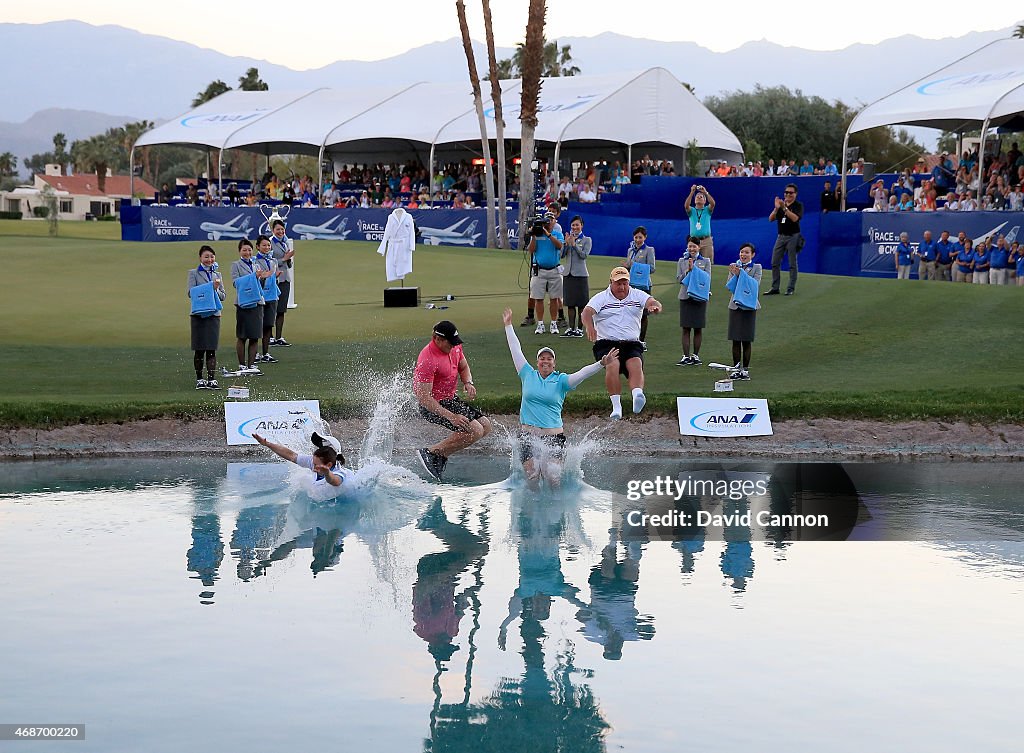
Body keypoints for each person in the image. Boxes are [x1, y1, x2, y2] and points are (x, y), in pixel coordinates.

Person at [501, 308, 615, 487]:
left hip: (553, 438)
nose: (545, 361)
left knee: (552, 476)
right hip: (527, 436)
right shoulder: (527, 374)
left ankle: (557, 511)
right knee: (532, 476)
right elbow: (515, 349)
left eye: (549, 359)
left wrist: (601, 363)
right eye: (542, 358)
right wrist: (508, 325)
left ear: (554, 363)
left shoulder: (561, 381)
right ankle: (534, 510)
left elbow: (582, 373)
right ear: (537, 361)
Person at [414, 320, 492, 481]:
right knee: (475, 430)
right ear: (438, 339)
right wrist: (452, 416)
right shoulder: (427, 359)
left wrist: (468, 383)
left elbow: (463, 367)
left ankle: (439, 455)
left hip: (450, 399)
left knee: (486, 426)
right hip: (433, 405)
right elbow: (424, 398)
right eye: (450, 343)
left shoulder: (454, 347)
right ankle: (431, 452)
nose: (454, 346)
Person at [582, 266, 663, 419]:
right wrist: (589, 327)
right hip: (606, 343)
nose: (622, 287)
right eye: (618, 283)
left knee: (635, 363)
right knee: (613, 364)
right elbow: (587, 312)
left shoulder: (637, 294)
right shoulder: (601, 297)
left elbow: (652, 301)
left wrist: (655, 306)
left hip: (631, 343)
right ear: (611, 282)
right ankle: (616, 406)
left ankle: (637, 395)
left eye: (625, 283)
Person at [252, 431, 352, 489]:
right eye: (313, 463)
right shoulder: (314, 462)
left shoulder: (340, 472)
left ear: (329, 465)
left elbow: (335, 482)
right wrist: (267, 444)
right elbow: (291, 455)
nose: (313, 466)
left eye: (316, 465)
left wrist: (326, 473)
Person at [187, 245, 225, 389]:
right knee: (199, 349)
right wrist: (210, 287)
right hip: (198, 315)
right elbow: (191, 293)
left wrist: (215, 289)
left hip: (214, 315)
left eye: (211, 257)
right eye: (206, 257)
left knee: (211, 349)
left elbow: (223, 296)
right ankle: (199, 379)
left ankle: (212, 379)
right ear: (200, 258)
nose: (209, 259)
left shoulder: (218, 275)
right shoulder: (193, 273)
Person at [726, 243, 762, 381]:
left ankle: (745, 370)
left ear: (752, 254)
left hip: (749, 307)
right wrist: (736, 274)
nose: (743, 255)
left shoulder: (756, 268)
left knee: (746, 340)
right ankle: (736, 368)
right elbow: (730, 286)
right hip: (735, 306)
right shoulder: (734, 266)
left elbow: (754, 285)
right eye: (741, 252)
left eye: (746, 252)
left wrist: (740, 274)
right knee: (735, 340)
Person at [525, 211, 565, 335]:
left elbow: (559, 246)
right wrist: (532, 235)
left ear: (554, 222)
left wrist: (548, 235)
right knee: (538, 298)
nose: (548, 222)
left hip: (554, 270)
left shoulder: (557, 234)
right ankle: (540, 324)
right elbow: (531, 250)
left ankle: (553, 323)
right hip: (539, 270)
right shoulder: (537, 234)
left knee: (554, 298)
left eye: (551, 220)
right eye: (547, 220)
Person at [676, 237, 712, 366]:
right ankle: (685, 356)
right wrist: (688, 271)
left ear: (699, 247)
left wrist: (695, 271)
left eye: (694, 246)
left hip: (699, 298)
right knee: (686, 328)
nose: (691, 249)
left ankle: (695, 356)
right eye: (689, 246)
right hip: (685, 297)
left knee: (698, 328)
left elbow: (707, 278)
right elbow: (679, 279)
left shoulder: (705, 261)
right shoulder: (682, 261)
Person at [230, 238, 264, 374]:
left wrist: (262, 277)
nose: (247, 252)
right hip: (243, 303)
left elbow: (259, 284)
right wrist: (252, 277)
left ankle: (251, 365)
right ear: (239, 251)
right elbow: (235, 283)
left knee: (255, 335)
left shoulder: (256, 264)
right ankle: (242, 365)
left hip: (257, 302)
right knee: (242, 336)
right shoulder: (236, 265)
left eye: (249, 250)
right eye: (244, 250)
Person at [766, 184, 804, 296]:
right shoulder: (781, 205)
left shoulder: (798, 205)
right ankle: (775, 287)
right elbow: (770, 219)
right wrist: (777, 208)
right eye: (786, 192)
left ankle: (790, 288)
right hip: (781, 236)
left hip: (793, 236)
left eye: (790, 193)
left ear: (795, 194)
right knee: (775, 262)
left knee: (792, 263)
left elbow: (795, 218)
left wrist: (784, 208)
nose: (788, 194)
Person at [624, 226, 656, 349]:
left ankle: (641, 341)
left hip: (644, 285)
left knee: (643, 314)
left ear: (645, 237)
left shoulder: (649, 250)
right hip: (632, 285)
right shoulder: (630, 250)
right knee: (631, 313)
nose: (638, 240)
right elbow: (629, 268)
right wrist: (627, 266)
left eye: (640, 237)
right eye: (636, 237)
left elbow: (652, 268)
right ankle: (632, 338)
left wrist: (634, 265)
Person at [559, 215, 591, 338]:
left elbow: (584, 255)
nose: (575, 227)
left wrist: (574, 245)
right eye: (573, 225)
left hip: (581, 275)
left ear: (581, 225)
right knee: (570, 303)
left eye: (577, 225)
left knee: (581, 304)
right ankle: (570, 328)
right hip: (568, 274)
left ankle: (580, 329)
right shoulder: (567, 239)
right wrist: (566, 244)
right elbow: (562, 255)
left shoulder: (587, 240)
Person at [253, 235, 280, 363]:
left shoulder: (273, 260)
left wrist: (276, 276)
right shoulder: (254, 261)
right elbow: (255, 279)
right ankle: (255, 353)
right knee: (258, 326)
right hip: (260, 296)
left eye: (268, 245)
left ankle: (266, 353)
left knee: (269, 325)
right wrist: (264, 277)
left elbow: (275, 278)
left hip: (272, 296)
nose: (267, 247)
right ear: (257, 246)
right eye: (264, 245)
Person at [268, 220, 294, 347]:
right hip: (274, 279)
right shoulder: (270, 243)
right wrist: (284, 259)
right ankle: (270, 337)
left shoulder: (285, 242)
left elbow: (288, 264)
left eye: (282, 229)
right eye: (278, 229)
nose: (280, 231)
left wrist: (288, 259)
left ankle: (279, 337)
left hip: (285, 278)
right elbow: (268, 262)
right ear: (273, 230)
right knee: (271, 309)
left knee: (281, 310)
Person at [683, 184, 715, 264]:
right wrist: (692, 192)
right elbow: (686, 206)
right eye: (697, 197)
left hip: (706, 240)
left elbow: (713, 203)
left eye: (701, 197)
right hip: (694, 240)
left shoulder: (707, 210)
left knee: (707, 263)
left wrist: (705, 192)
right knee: (692, 263)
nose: (699, 198)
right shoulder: (692, 210)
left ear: (704, 201)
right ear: (694, 200)